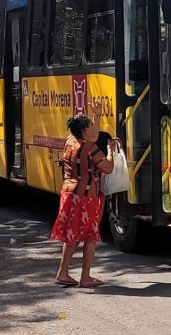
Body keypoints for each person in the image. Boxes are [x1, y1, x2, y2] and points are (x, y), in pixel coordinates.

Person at [50, 114, 114, 288]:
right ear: (84, 130)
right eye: (91, 126)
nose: (94, 129)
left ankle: (62, 272)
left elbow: (92, 136)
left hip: (68, 193)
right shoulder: (90, 148)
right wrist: (110, 152)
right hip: (85, 196)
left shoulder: (69, 142)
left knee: (72, 235)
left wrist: (97, 116)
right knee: (90, 236)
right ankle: (85, 277)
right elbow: (108, 168)